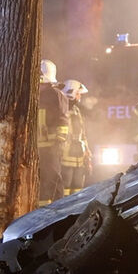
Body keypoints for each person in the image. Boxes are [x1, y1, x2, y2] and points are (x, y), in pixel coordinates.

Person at [37, 59, 69, 206]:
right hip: (37, 148)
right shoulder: (35, 96)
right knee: (40, 181)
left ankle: (54, 213)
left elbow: (63, 120)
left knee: (51, 180)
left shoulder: (56, 95)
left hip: (50, 147)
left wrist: (59, 142)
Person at [60, 79, 90, 196]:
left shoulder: (77, 110)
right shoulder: (63, 107)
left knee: (78, 186)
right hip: (66, 155)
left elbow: (82, 133)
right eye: (78, 93)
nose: (79, 97)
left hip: (79, 156)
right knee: (65, 185)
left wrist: (87, 151)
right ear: (71, 92)